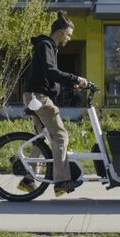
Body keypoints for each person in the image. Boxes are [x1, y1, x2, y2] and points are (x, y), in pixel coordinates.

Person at [18, 11, 89, 197]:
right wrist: (76, 78)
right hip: (38, 97)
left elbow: (49, 75)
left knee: (42, 137)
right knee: (61, 135)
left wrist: (72, 83)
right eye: (68, 34)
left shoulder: (46, 46)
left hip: (34, 96)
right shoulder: (45, 45)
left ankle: (29, 179)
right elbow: (51, 71)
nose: (69, 39)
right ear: (59, 31)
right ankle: (61, 182)